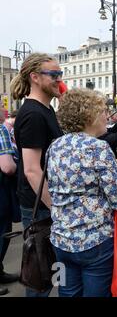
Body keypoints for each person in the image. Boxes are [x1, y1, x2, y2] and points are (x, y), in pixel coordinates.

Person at [47, 88, 117, 297]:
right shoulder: (98, 147)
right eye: (102, 111)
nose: (106, 116)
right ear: (89, 115)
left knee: (68, 293)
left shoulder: (55, 146)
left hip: (61, 239)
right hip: (94, 241)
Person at [10, 53, 64, 297]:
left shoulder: (45, 109)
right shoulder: (33, 114)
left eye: (60, 74)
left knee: (47, 273)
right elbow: (32, 170)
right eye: (54, 75)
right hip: (39, 204)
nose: (59, 79)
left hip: (43, 201)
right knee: (40, 274)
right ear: (35, 77)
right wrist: (55, 207)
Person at [0, 108, 19, 296]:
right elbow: (7, 167)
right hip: (1, 191)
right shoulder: (1, 130)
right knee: (2, 232)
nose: (4, 109)